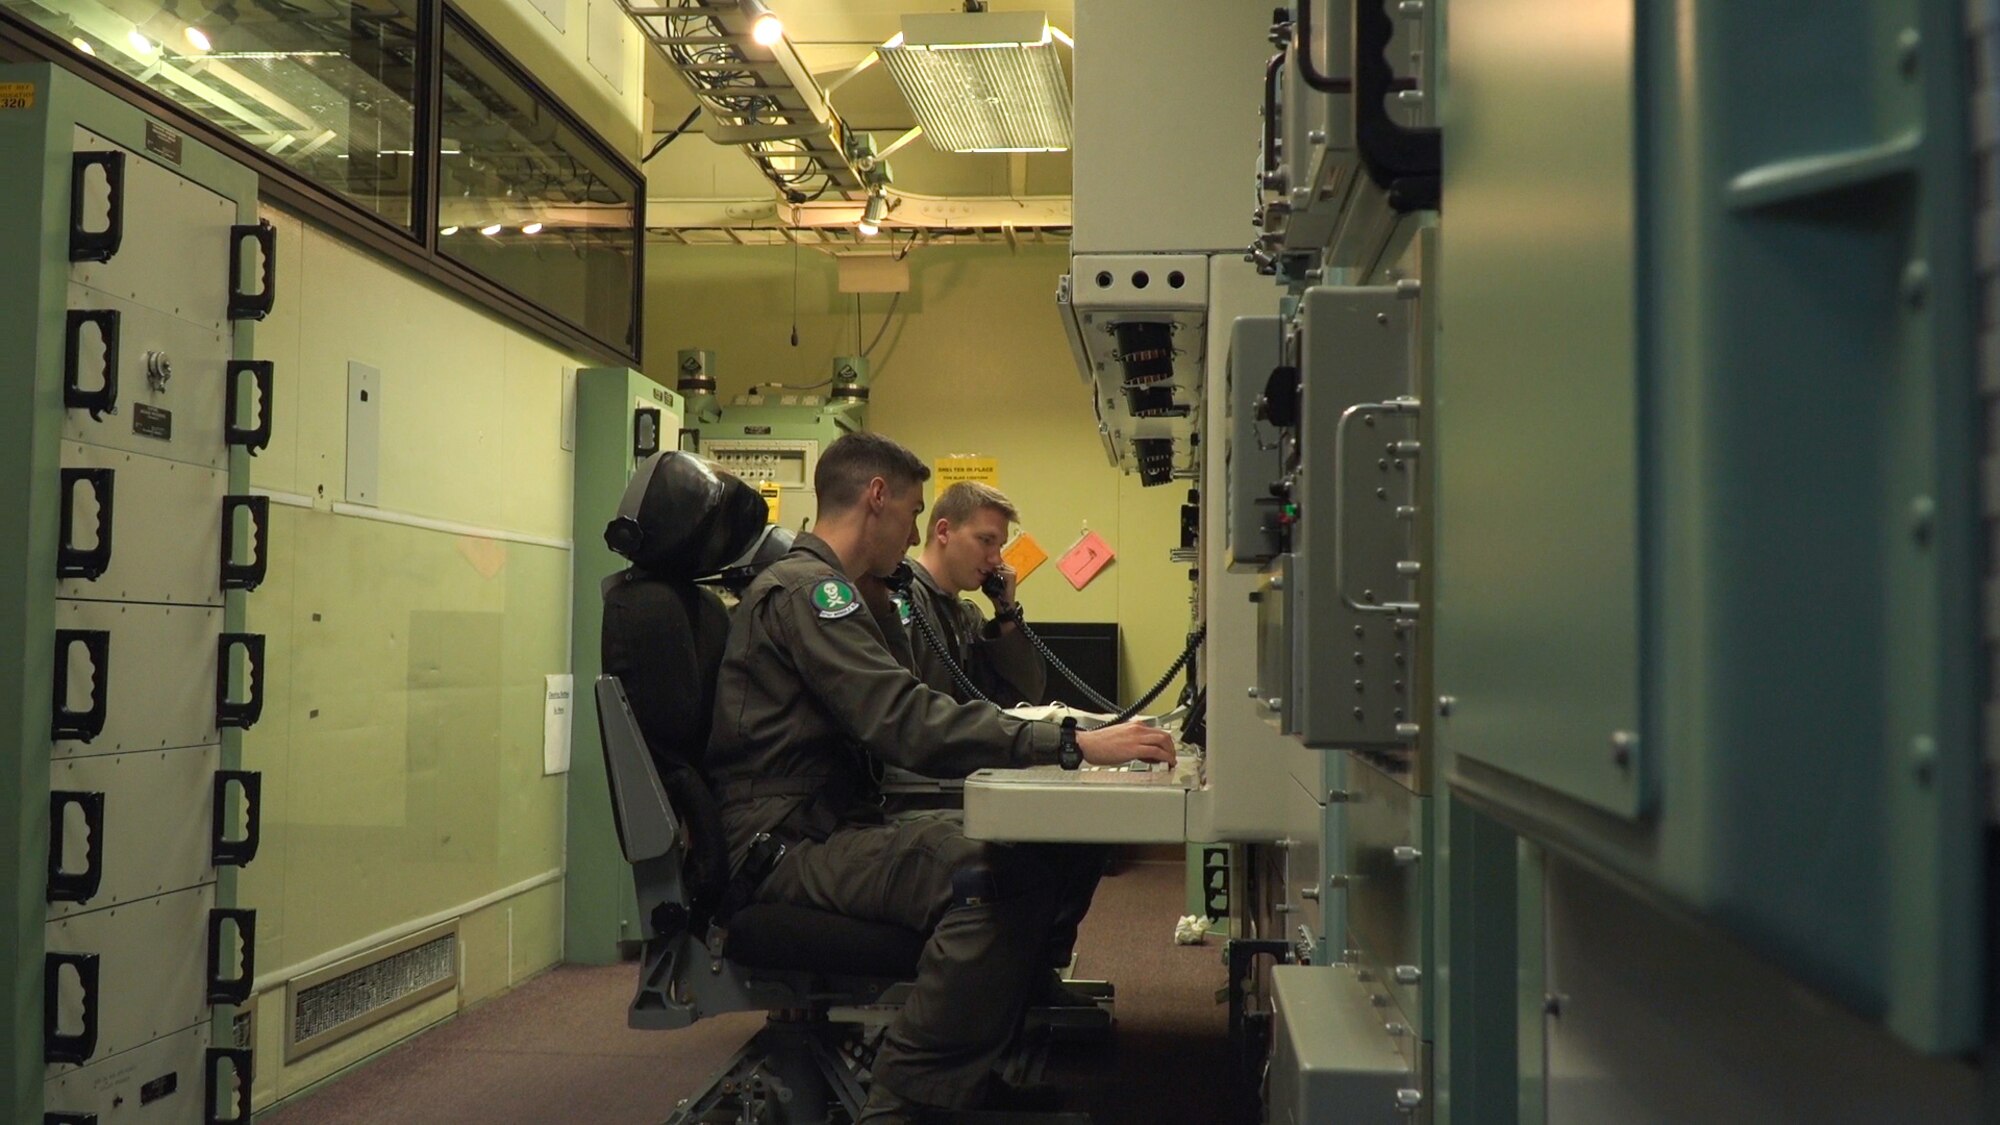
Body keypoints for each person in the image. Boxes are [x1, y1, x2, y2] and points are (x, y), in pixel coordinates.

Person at [704, 431, 1176, 1123]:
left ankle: (972, 1073)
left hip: (824, 826)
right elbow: (906, 717)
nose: (917, 529)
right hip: (788, 845)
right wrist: (1070, 741)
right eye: (912, 511)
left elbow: (922, 706)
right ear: (877, 497)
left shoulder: (840, 590)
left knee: (1026, 859)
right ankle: (909, 1104)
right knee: (988, 879)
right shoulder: (810, 593)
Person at [899, 481, 1047, 706]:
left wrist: (1006, 614)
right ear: (943, 531)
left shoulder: (966, 616)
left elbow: (1025, 696)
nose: (996, 559)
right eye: (986, 540)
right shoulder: (904, 599)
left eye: (999, 546)